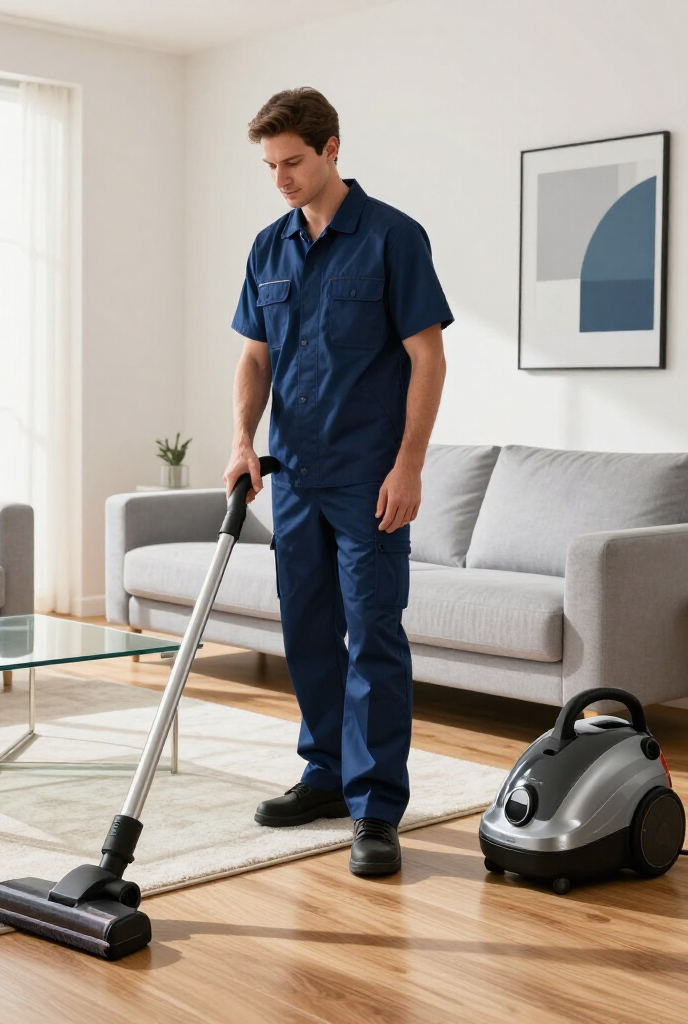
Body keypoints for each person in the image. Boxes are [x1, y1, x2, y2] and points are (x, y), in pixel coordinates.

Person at [225, 87, 453, 877]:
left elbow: (428, 356)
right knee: (308, 630)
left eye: (292, 162)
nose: (281, 177)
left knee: (374, 636)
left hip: (369, 480)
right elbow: (255, 357)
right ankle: (324, 775)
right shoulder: (269, 247)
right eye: (270, 166)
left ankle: (376, 807)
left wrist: (411, 463)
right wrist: (241, 441)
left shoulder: (392, 237)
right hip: (294, 476)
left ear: (331, 150)